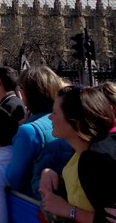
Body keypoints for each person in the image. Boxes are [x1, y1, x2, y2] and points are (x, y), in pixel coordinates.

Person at [39, 85, 115, 223]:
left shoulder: (95, 159)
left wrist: (69, 210)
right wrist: (49, 173)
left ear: (76, 123)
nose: (50, 117)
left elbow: (109, 218)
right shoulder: (82, 150)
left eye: (55, 113)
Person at [5, 66, 72, 199]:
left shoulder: (29, 131)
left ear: (27, 94)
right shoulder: (67, 121)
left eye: (21, 89)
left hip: (38, 201)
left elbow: (15, 179)